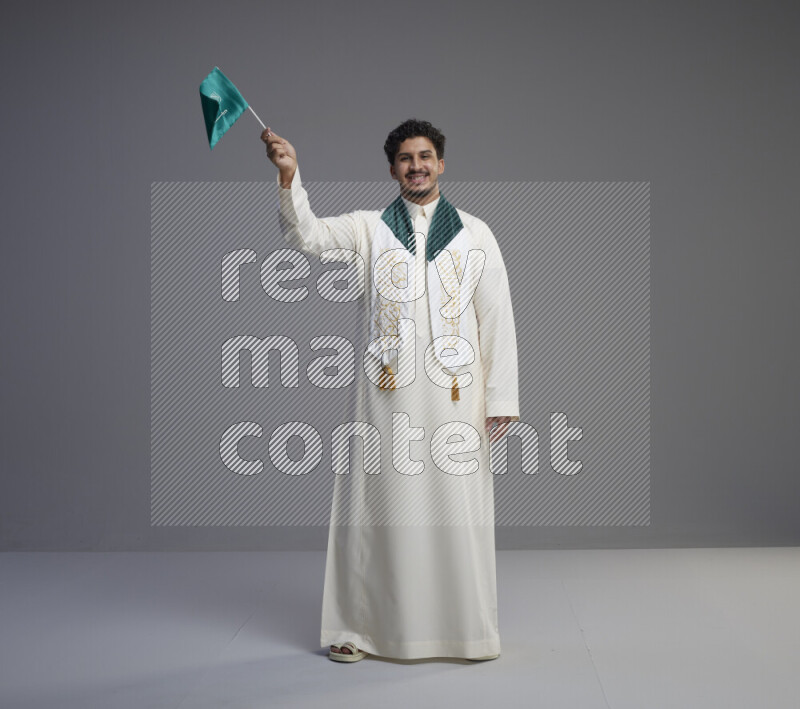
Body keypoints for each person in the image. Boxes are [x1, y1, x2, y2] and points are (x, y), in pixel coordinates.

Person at [262, 118, 520, 662]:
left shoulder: (476, 233)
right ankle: (360, 628)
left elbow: (496, 317)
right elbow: (305, 235)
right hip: (386, 394)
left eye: (426, 156)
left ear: (441, 163)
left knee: (456, 511)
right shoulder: (368, 229)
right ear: (392, 169)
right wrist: (290, 177)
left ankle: (463, 631)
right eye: (406, 158)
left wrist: (500, 400)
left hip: (456, 394)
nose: (417, 166)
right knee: (375, 507)